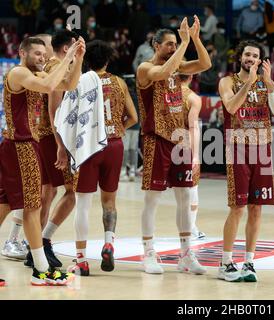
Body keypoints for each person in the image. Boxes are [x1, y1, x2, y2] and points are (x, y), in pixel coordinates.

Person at [0, 36, 83, 286]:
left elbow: (68, 84)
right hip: (20, 146)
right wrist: (67, 56)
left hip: (23, 145)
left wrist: (77, 59)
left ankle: (40, 267)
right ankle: (41, 270)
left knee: (4, 206)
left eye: (44, 52)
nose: (42, 57)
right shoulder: (18, 73)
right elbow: (49, 86)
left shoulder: (35, 74)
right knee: (32, 208)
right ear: (22, 53)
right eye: (37, 53)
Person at [136, 16, 211, 275]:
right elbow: (164, 71)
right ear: (156, 45)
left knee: (185, 196)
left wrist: (196, 40)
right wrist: (183, 43)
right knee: (152, 199)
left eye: (174, 44)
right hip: (156, 139)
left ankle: (186, 253)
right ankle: (148, 253)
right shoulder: (146, 68)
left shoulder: (178, 69)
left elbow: (205, 63)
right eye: (168, 44)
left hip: (179, 139)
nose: (172, 47)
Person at [66, 40, 138, 276]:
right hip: (114, 144)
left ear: (87, 62)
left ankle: (81, 260)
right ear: (108, 60)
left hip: (88, 146)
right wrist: (117, 130)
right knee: (109, 202)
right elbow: (133, 118)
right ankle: (109, 243)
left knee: (83, 204)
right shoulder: (119, 82)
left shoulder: (81, 81)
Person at [218, 40, 274, 282]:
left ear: (260, 60)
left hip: (263, 147)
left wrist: (270, 85)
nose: (250, 58)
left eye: (255, 56)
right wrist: (248, 82)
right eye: (247, 54)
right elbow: (232, 107)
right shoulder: (227, 81)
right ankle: (225, 263)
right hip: (237, 146)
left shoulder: (265, 84)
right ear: (240, 57)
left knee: (257, 208)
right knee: (238, 207)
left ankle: (249, 262)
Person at [23, 29, 81, 269]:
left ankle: (33, 249)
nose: (43, 54)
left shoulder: (51, 66)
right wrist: (61, 145)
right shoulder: (56, 67)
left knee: (46, 194)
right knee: (71, 193)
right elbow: (54, 109)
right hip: (54, 136)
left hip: (43, 135)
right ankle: (43, 242)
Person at [179, 74, 205, 239]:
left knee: (153, 196)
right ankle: (190, 228)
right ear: (191, 76)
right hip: (184, 148)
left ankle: (148, 239)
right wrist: (195, 156)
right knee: (192, 191)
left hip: (163, 145)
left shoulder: (163, 94)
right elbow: (193, 128)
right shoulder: (192, 98)